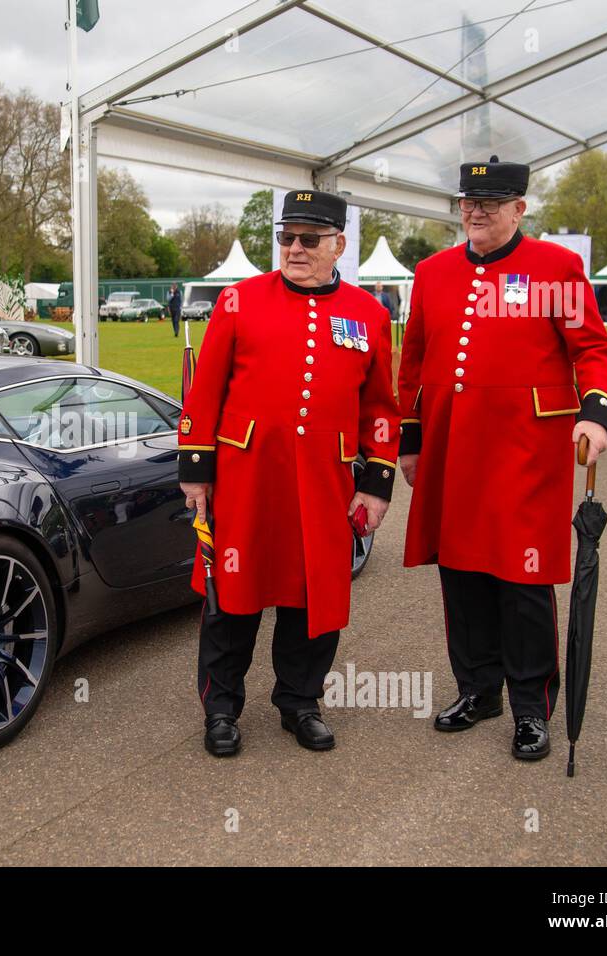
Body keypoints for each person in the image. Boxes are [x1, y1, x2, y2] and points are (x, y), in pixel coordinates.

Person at [397, 156, 607, 762]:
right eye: (469, 203)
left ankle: (530, 707)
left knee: (522, 581)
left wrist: (596, 412)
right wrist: (410, 441)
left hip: (525, 454)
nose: (476, 212)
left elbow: (595, 350)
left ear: (520, 209)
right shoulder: (433, 271)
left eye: (491, 204)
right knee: (461, 575)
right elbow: (411, 366)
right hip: (451, 450)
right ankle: (478, 690)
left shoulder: (556, 267)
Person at [179, 189, 399, 757]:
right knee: (233, 595)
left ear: (338, 246)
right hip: (248, 478)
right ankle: (222, 708)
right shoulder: (238, 301)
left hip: (325, 483)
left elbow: (380, 409)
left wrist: (375, 485)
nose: (294, 249)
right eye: (286, 238)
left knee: (314, 597)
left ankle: (300, 702)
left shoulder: (370, 315)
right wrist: (195, 470)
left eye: (309, 239)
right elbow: (204, 392)